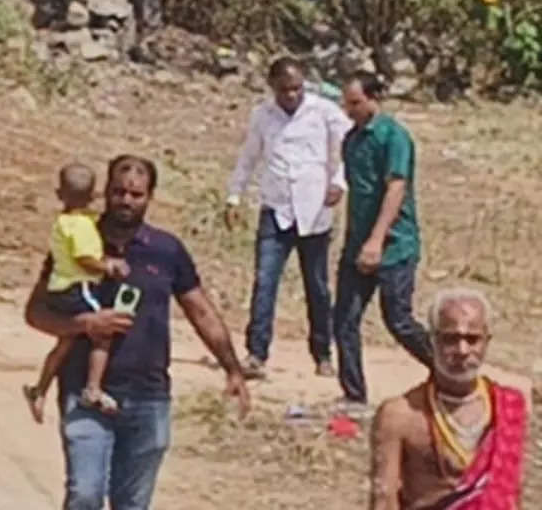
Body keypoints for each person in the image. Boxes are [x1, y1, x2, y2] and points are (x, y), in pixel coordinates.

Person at [24, 155, 251, 510]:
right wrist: (84, 325)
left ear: (150, 197)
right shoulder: (78, 238)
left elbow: (200, 310)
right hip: (86, 394)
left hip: (149, 396)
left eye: (136, 194)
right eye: (118, 192)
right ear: (104, 193)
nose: (126, 201)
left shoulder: (167, 250)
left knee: (132, 503)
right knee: (84, 495)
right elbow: (36, 312)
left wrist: (232, 368)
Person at [226, 56, 349, 380]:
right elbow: (249, 156)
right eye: (285, 90)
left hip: (314, 211)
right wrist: (234, 196)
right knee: (265, 281)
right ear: (273, 88)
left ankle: (322, 354)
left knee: (318, 287)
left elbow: (350, 147)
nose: (292, 96)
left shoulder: (323, 112)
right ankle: (256, 353)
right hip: (276, 208)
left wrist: (339, 182)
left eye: (296, 89)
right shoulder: (262, 116)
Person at [369, 288, 527, 509]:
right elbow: (383, 499)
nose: (462, 350)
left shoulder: (508, 406)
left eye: (472, 340)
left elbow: (511, 494)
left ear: (486, 342)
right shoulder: (399, 415)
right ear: (432, 341)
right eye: (450, 339)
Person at [334, 73, 435, 410]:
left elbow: (396, 188)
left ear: (374, 98)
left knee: (399, 320)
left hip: (394, 245)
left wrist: (377, 241)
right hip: (357, 244)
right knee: (344, 319)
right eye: (346, 103)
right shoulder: (352, 140)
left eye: (356, 103)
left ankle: (448, 373)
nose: (349, 110)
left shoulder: (394, 138)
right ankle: (354, 394)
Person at [24, 163, 128, 422]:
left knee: (66, 341)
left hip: (60, 286)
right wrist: (109, 266)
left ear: (60, 194)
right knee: (103, 330)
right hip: (78, 285)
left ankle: (39, 389)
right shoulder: (80, 225)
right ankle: (93, 388)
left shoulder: (67, 221)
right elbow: (84, 258)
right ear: (93, 196)